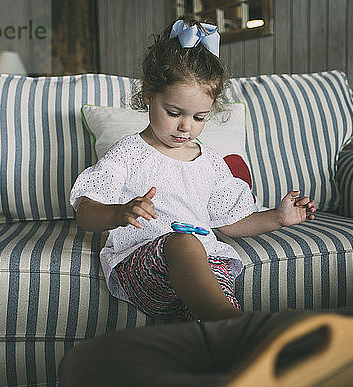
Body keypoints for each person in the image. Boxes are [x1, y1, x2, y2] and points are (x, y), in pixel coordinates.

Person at [70, 17, 316, 322]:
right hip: (145, 264)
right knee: (183, 242)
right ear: (148, 96)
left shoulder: (210, 162)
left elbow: (230, 222)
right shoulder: (130, 154)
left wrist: (278, 218)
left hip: (206, 264)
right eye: (174, 113)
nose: (186, 127)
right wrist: (119, 212)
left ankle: (239, 337)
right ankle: (237, 325)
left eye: (199, 118)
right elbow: (85, 212)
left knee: (210, 312)